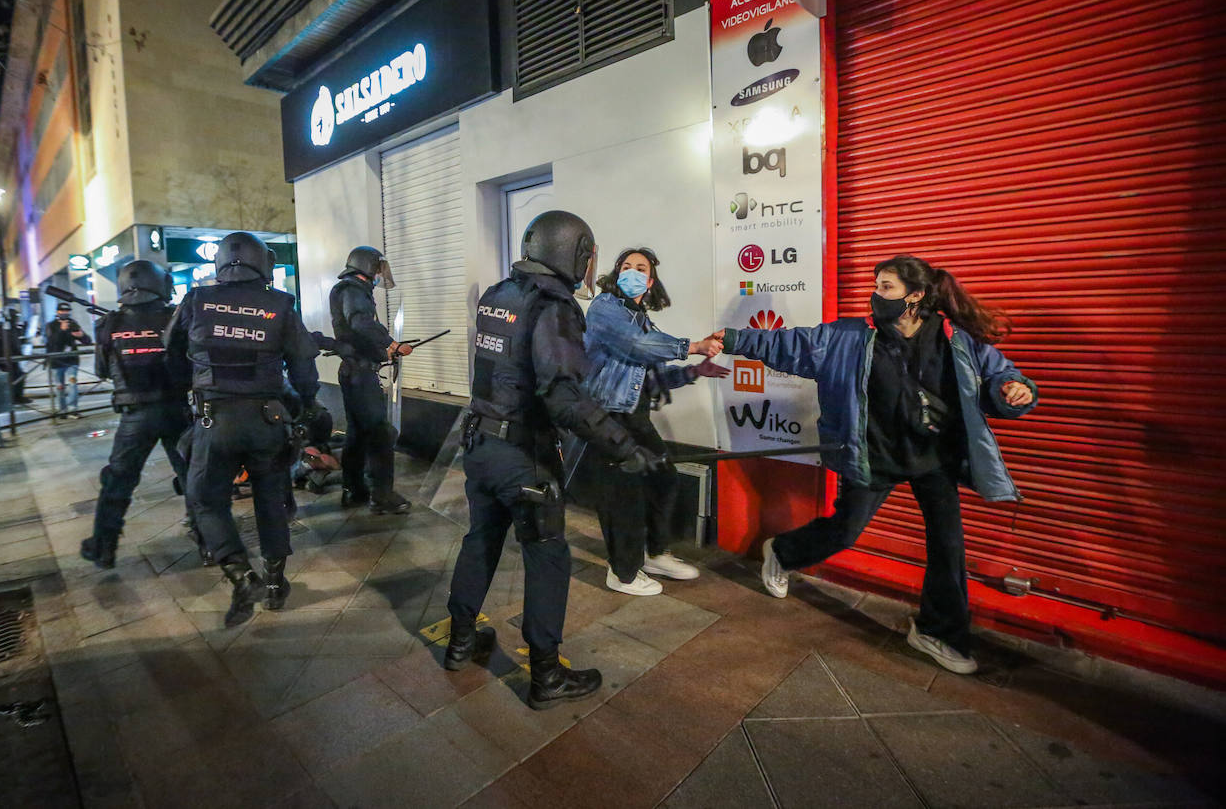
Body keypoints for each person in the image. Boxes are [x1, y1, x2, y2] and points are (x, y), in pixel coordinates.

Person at [720, 254, 1037, 674]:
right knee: (845, 531)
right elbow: (791, 344)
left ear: (916, 295)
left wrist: (1014, 389)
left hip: (934, 458)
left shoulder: (955, 338)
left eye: (886, 287)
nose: (876, 294)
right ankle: (782, 551)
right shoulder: (852, 336)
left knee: (948, 546)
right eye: (876, 285)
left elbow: (999, 376)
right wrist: (731, 339)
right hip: (876, 454)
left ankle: (937, 632)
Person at [444, 210, 662, 710]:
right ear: (575, 252)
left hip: (480, 444)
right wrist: (624, 445)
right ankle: (546, 676)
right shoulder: (554, 306)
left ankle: (459, 641)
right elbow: (563, 397)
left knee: (481, 539)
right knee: (547, 555)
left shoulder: (499, 294)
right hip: (525, 454)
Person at [166, 232, 321, 626]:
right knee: (271, 500)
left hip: (213, 419)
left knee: (204, 499)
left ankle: (241, 575)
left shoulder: (196, 300)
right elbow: (303, 366)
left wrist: (192, 390)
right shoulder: (281, 304)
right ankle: (274, 585)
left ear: (220, 262)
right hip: (267, 420)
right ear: (262, 262)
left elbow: (172, 357)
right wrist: (304, 406)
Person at [583, 248, 728, 596]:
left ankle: (654, 553)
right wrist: (694, 346)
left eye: (640, 268)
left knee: (663, 479)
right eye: (626, 266)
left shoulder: (644, 322)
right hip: (607, 415)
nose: (631, 272)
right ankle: (622, 572)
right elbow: (636, 345)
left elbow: (654, 377)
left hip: (634, 416)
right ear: (617, 274)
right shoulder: (605, 307)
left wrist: (695, 371)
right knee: (623, 496)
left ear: (649, 282)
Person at [80, 261, 195, 569]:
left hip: (135, 415)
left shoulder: (108, 324)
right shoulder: (176, 318)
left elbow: (102, 370)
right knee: (192, 475)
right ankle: (208, 539)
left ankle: (103, 547)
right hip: (175, 409)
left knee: (118, 481)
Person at [328, 246, 413, 515]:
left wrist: (382, 352)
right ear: (366, 267)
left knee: (357, 434)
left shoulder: (348, 289)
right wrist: (392, 344)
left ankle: (354, 490)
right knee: (380, 435)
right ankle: (382, 494)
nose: (379, 274)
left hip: (354, 371)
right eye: (377, 269)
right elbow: (360, 323)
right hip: (360, 375)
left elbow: (357, 335)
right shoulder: (354, 291)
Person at [45, 301, 92, 419]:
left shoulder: (73, 323)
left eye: (67, 311)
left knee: (72, 384)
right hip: (56, 361)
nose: (65, 313)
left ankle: (73, 409)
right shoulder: (51, 325)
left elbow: (87, 341)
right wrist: (62, 330)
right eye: (62, 311)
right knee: (59, 387)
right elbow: (52, 342)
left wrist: (82, 336)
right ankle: (62, 410)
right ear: (57, 312)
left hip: (71, 360)